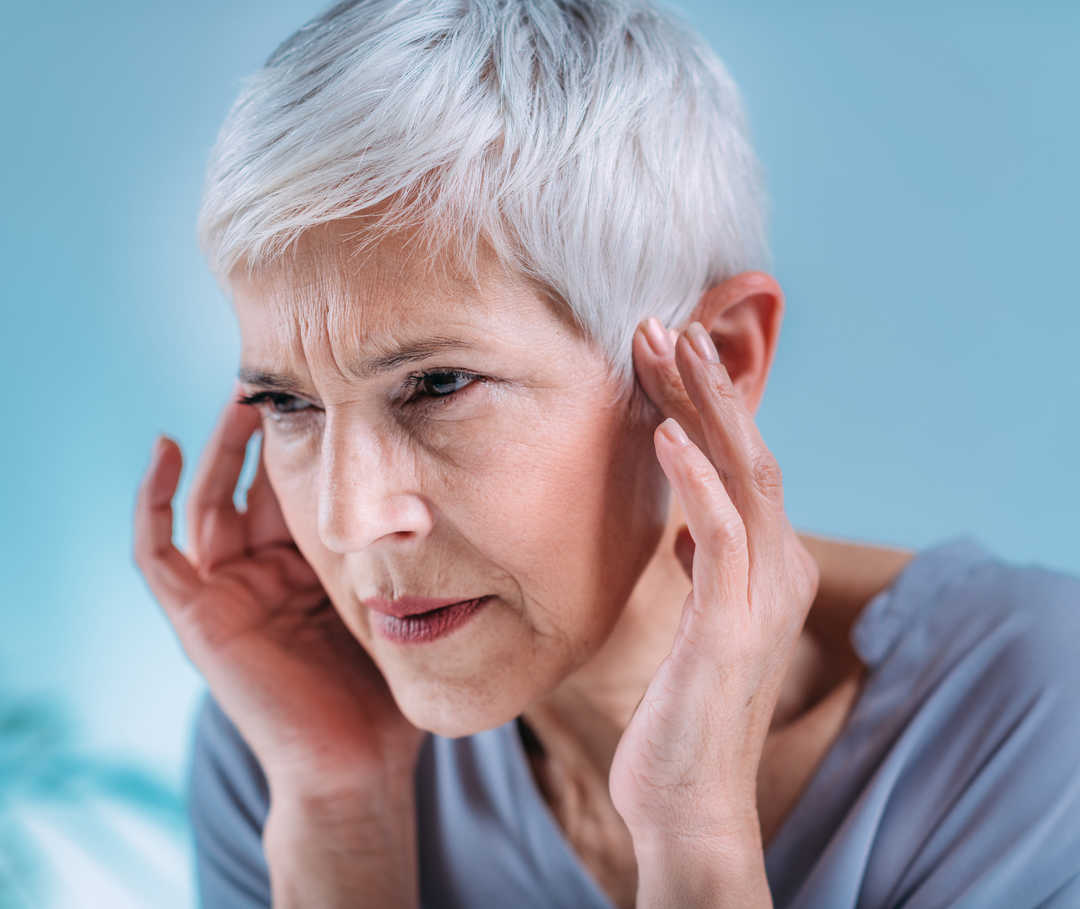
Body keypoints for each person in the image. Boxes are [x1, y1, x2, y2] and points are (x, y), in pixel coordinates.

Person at [132, 0, 1080, 906]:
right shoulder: (291, 729)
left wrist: (696, 833)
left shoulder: (1036, 723)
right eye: (288, 403)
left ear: (722, 359)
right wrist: (341, 821)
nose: (345, 520)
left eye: (438, 385)